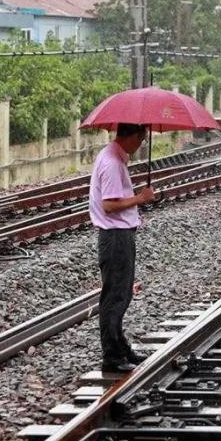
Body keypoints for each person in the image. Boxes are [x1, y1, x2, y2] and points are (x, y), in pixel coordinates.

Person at [89, 123, 155, 371]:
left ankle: (121, 350)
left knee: (121, 293)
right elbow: (109, 205)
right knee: (116, 296)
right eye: (142, 139)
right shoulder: (112, 163)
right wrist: (140, 198)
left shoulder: (113, 156)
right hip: (115, 236)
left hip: (118, 234)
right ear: (135, 136)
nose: (142, 145)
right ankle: (112, 357)